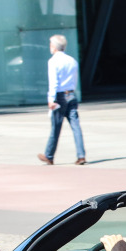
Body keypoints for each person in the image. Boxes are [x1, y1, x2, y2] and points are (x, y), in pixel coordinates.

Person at [39, 34, 86, 165]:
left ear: (54, 47)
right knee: (76, 126)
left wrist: (51, 99)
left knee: (56, 127)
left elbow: (53, 82)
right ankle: (81, 155)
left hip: (59, 96)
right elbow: (75, 79)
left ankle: (49, 155)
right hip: (71, 94)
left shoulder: (53, 61)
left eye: (50, 45)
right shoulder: (72, 60)